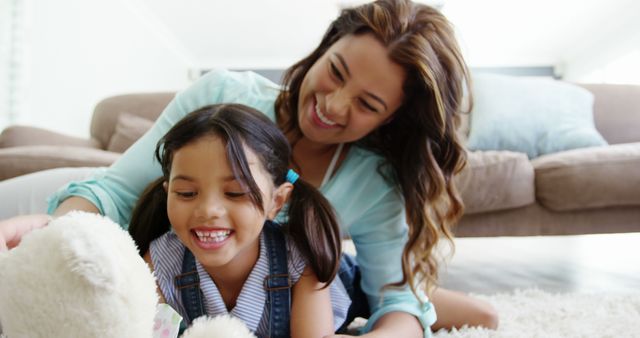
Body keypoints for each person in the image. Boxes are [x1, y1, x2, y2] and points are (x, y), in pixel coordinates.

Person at [0, 0, 498, 336]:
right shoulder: (222, 98)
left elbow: (397, 302)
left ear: (392, 119)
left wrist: (401, 314)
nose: (332, 105)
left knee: (454, 308)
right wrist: (54, 230)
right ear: (326, 48)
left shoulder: (373, 180)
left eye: (367, 104)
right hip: (181, 258)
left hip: (314, 274)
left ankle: (435, 297)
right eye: (336, 72)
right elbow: (114, 194)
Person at [129, 104, 349, 337]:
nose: (208, 211)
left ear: (277, 202)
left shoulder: (302, 257)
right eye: (186, 193)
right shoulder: (159, 262)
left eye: (235, 193)